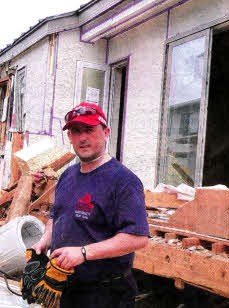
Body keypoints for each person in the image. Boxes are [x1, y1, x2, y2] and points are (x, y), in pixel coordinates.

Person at [32, 102, 150, 308]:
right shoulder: (67, 176)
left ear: (106, 132)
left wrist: (83, 253)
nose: (82, 138)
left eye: (89, 129)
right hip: (66, 288)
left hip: (106, 295)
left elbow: (138, 238)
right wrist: (44, 241)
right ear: (69, 137)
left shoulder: (123, 181)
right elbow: (56, 216)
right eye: (75, 131)